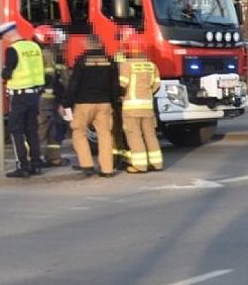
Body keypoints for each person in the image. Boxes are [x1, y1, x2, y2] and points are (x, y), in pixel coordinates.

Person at [0, 22, 45, 178]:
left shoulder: (12, 50)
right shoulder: (34, 46)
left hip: (19, 95)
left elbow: (7, 73)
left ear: (8, 34)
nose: (4, 40)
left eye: (3, 37)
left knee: (16, 131)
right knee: (32, 130)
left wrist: (3, 72)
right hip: (34, 94)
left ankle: (22, 166)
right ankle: (36, 164)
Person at [65, 34, 121, 178]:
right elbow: (114, 85)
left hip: (84, 103)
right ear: (100, 44)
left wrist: (67, 103)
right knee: (105, 135)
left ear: (87, 45)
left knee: (79, 133)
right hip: (104, 103)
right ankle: (107, 169)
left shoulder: (82, 61)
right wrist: (115, 103)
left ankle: (87, 165)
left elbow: (74, 84)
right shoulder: (110, 61)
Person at [118, 39, 163, 173]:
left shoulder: (126, 65)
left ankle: (140, 165)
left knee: (135, 136)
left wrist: (119, 97)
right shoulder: (151, 65)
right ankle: (157, 163)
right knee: (150, 135)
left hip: (131, 108)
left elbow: (122, 86)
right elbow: (156, 86)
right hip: (148, 107)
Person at [37, 42, 70, 167]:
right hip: (47, 99)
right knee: (42, 128)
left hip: (52, 99)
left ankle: (53, 157)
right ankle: (33, 158)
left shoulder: (56, 56)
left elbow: (64, 79)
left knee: (54, 129)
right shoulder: (48, 56)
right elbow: (60, 79)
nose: (62, 46)